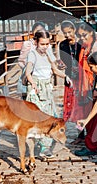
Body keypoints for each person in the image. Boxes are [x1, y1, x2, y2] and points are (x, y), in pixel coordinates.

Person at [24, 29, 72, 158]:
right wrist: (33, 84)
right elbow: (28, 73)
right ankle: (40, 146)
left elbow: (55, 69)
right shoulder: (32, 54)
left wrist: (65, 76)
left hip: (47, 88)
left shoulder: (48, 53)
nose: (45, 47)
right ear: (36, 42)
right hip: (37, 88)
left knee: (51, 115)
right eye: (42, 44)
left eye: (47, 44)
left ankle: (45, 146)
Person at [65, 22, 97, 155]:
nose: (82, 38)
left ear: (91, 33)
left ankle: (95, 145)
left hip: (95, 88)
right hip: (85, 87)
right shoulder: (85, 47)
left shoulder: (96, 48)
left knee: (96, 118)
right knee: (89, 117)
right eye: (80, 36)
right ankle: (94, 142)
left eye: (84, 35)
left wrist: (96, 88)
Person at [17, 21, 55, 99]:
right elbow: (21, 61)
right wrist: (28, 69)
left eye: (41, 30)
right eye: (37, 31)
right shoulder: (28, 44)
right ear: (33, 32)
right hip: (32, 78)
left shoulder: (47, 45)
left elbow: (51, 61)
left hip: (45, 79)